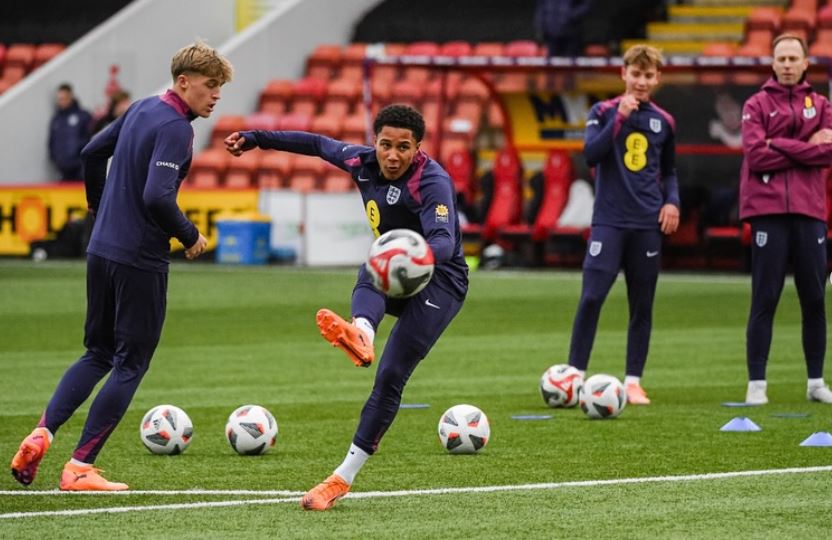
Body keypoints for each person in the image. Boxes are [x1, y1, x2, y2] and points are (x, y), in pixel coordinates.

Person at [10, 41, 232, 491]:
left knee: (97, 353)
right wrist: (189, 235)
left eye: (220, 88)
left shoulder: (141, 109)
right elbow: (156, 196)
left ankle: (42, 433)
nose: (216, 96)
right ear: (184, 82)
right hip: (139, 259)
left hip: (102, 249)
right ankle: (79, 468)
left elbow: (92, 153)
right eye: (211, 86)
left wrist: (98, 206)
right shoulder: (176, 128)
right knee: (131, 362)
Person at [225, 104, 468, 511]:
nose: (393, 155)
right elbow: (318, 144)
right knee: (372, 266)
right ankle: (362, 333)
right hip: (397, 266)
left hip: (441, 280)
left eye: (403, 147)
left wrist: (411, 252)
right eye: (386, 145)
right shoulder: (361, 161)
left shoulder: (433, 181)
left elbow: (444, 241)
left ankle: (342, 478)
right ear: (375, 141)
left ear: (418, 148)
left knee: (390, 375)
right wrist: (257, 137)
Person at [565, 44, 680, 405]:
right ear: (624, 74)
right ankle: (573, 378)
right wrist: (619, 119)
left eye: (648, 75)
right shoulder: (602, 111)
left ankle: (633, 381)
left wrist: (673, 202)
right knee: (592, 297)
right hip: (609, 222)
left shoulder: (665, 121)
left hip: (647, 223)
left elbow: (670, 171)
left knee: (641, 304)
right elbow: (591, 155)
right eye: (636, 74)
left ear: (657, 78)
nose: (641, 81)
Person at [739, 34, 832, 405]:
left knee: (814, 299)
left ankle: (815, 383)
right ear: (773, 63)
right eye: (783, 58)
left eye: (795, 58)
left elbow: (828, 153)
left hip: (810, 212)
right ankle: (757, 384)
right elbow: (756, 156)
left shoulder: (822, 104)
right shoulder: (756, 103)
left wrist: (777, 143)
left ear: (806, 63)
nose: (789, 64)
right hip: (768, 212)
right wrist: (806, 146)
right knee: (766, 296)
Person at [48, 83, 93, 180]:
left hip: (80, 169)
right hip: (62, 170)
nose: (61, 101)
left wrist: (79, 156)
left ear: (71, 97)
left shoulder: (83, 116)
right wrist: (55, 158)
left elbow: (89, 139)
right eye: (59, 99)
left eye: (63, 98)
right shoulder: (56, 119)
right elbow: (52, 141)